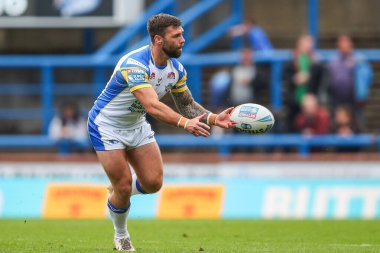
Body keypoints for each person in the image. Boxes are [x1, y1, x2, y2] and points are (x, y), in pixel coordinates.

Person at [87, 13, 235, 251]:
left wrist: (215, 118)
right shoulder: (134, 65)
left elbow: (186, 104)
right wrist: (185, 124)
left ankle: (118, 193)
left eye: (182, 34)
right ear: (158, 40)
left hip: (135, 125)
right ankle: (121, 236)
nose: (183, 40)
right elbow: (152, 105)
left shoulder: (176, 69)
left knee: (154, 183)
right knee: (124, 186)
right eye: (176, 36)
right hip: (106, 125)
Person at [326, 34, 373, 130]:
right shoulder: (332, 61)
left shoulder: (359, 59)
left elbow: (368, 77)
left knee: (357, 122)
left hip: (354, 98)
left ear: (351, 44)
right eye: (341, 42)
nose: (344, 45)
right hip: (337, 98)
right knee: (336, 122)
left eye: (346, 42)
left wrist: (362, 93)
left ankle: (357, 142)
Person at [283, 34, 325, 132]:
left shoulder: (316, 64)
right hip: (294, 103)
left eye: (309, 43)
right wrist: (295, 79)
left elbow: (320, 80)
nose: (307, 46)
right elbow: (286, 79)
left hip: (310, 106)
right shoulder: (291, 63)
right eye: (305, 43)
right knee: (291, 128)